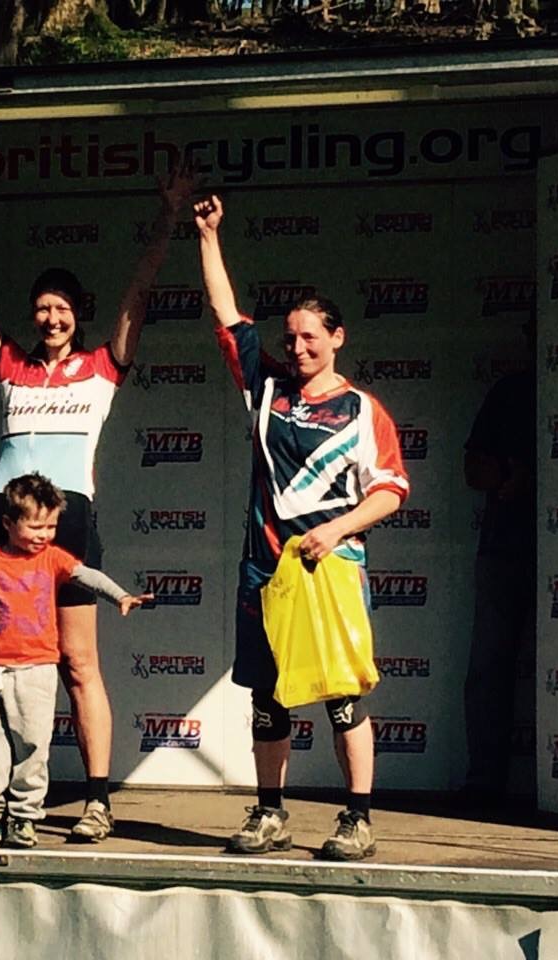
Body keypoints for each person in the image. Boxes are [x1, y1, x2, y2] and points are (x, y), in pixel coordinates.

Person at [0, 167, 193, 841]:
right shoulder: (11, 366)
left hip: (71, 522)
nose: (51, 318)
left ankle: (96, 800)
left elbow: (139, 293)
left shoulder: (101, 367)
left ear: (78, 313)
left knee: (80, 665)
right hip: (3, 525)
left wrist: (169, 217)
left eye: (62, 308)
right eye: (42, 308)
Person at [194, 196, 410, 861]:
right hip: (266, 570)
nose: (298, 347)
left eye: (311, 336)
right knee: (268, 699)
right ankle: (270, 814)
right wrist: (208, 235)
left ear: (338, 338)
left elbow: (391, 491)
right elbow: (227, 314)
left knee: (344, 698)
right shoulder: (267, 387)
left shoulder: (362, 410)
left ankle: (358, 819)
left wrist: (337, 530)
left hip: (331, 571)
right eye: (290, 337)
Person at [0, 473, 149, 849]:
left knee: (32, 747)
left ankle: (24, 818)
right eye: (36, 527)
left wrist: (120, 596)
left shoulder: (53, 558)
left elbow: (88, 577)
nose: (45, 535)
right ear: (8, 523)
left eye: (51, 527)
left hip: (37, 670)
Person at [462, 367, 535, 801]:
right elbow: (473, 471)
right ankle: (484, 783)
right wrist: (510, 474)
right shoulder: (511, 390)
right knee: (489, 667)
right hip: (506, 549)